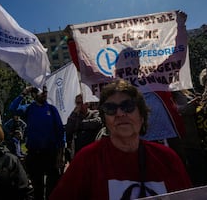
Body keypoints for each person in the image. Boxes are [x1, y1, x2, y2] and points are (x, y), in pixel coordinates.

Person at [50, 79, 191, 200]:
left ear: (142, 116)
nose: (120, 113)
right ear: (104, 119)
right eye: (110, 108)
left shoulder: (166, 159)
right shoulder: (87, 159)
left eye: (128, 106)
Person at [10, 85, 65, 200]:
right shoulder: (29, 109)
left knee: (53, 186)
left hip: (51, 154)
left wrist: (61, 154)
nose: (44, 93)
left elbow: (60, 132)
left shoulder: (51, 109)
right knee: (37, 187)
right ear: (34, 95)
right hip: (35, 154)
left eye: (45, 91)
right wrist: (24, 93)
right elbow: (13, 109)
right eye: (41, 92)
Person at [65, 94, 102, 159]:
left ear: (87, 103)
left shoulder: (94, 113)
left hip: (92, 151)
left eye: (81, 103)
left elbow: (96, 122)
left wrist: (78, 125)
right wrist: (73, 114)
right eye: (77, 103)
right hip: (79, 152)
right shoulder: (75, 116)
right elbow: (68, 129)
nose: (79, 105)